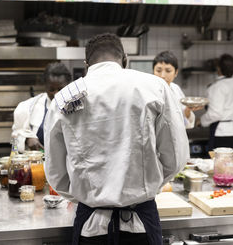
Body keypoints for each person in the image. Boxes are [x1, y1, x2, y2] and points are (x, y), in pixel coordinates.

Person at [44, 33, 189, 245]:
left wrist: (89, 196)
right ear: (125, 59)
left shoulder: (64, 98)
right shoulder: (155, 87)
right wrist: (149, 186)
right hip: (141, 221)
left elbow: (56, 175)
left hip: (90, 226)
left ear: (86, 65)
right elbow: (176, 158)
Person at [11, 62, 71, 152]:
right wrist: (25, 140)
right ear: (45, 86)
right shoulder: (26, 108)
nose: (56, 94)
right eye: (51, 89)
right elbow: (14, 143)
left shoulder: (77, 109)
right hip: (38, 165)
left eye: (60, 89)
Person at [200, 54, 233, 155]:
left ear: (218, 68)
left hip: (221, 134)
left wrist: (201, 121)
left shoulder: (217, 87)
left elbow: (215, 114)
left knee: (220, 167)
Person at [153, 51, 203, 129]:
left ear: (176, 72)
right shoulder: (149, 91)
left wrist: (188, 109)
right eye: (158, 71)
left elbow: (184, 121)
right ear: (153, 71)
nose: (162, 75)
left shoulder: (175, 89)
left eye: (168, 71)